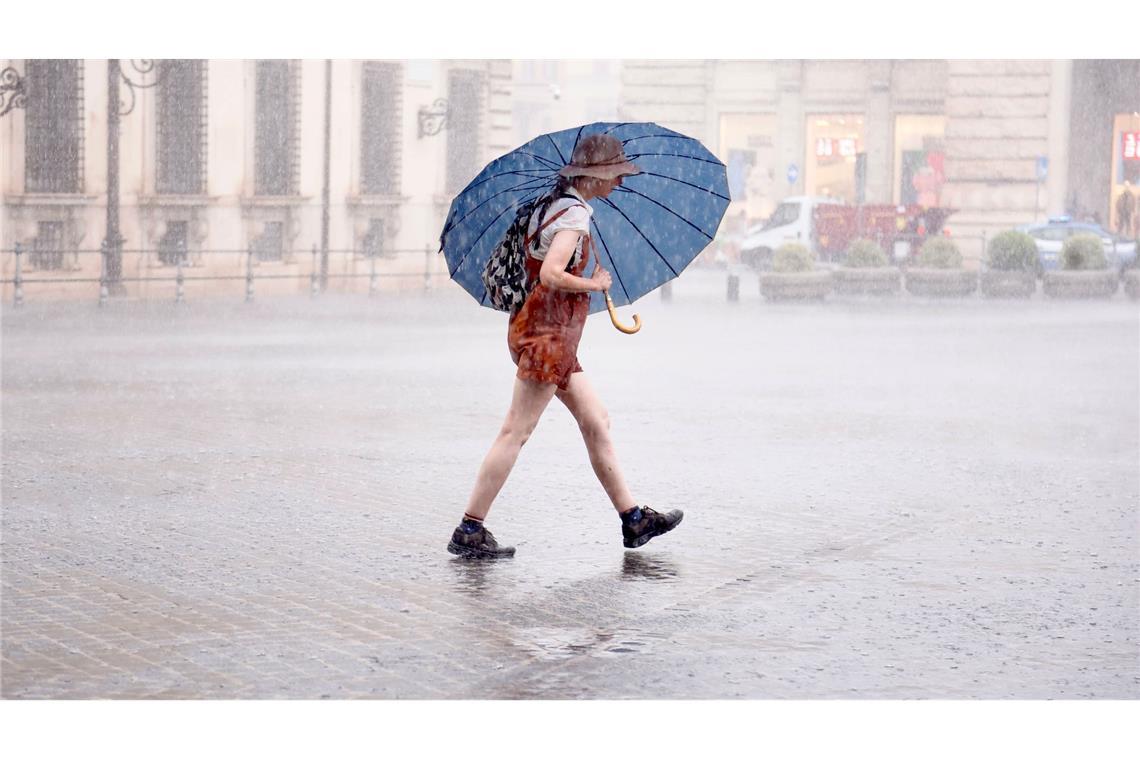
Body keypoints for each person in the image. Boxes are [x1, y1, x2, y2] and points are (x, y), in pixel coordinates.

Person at [447, 134, 683, 559]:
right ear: (594, 175)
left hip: (549, 335)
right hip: (547, 338)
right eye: (615, 175)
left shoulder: (553, 207)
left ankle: (634, 519)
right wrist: (592, 283)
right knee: (515, 431)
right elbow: (552, 274)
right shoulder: (573, 215)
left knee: (596, 419)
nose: (619, 183)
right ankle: (469, 528)